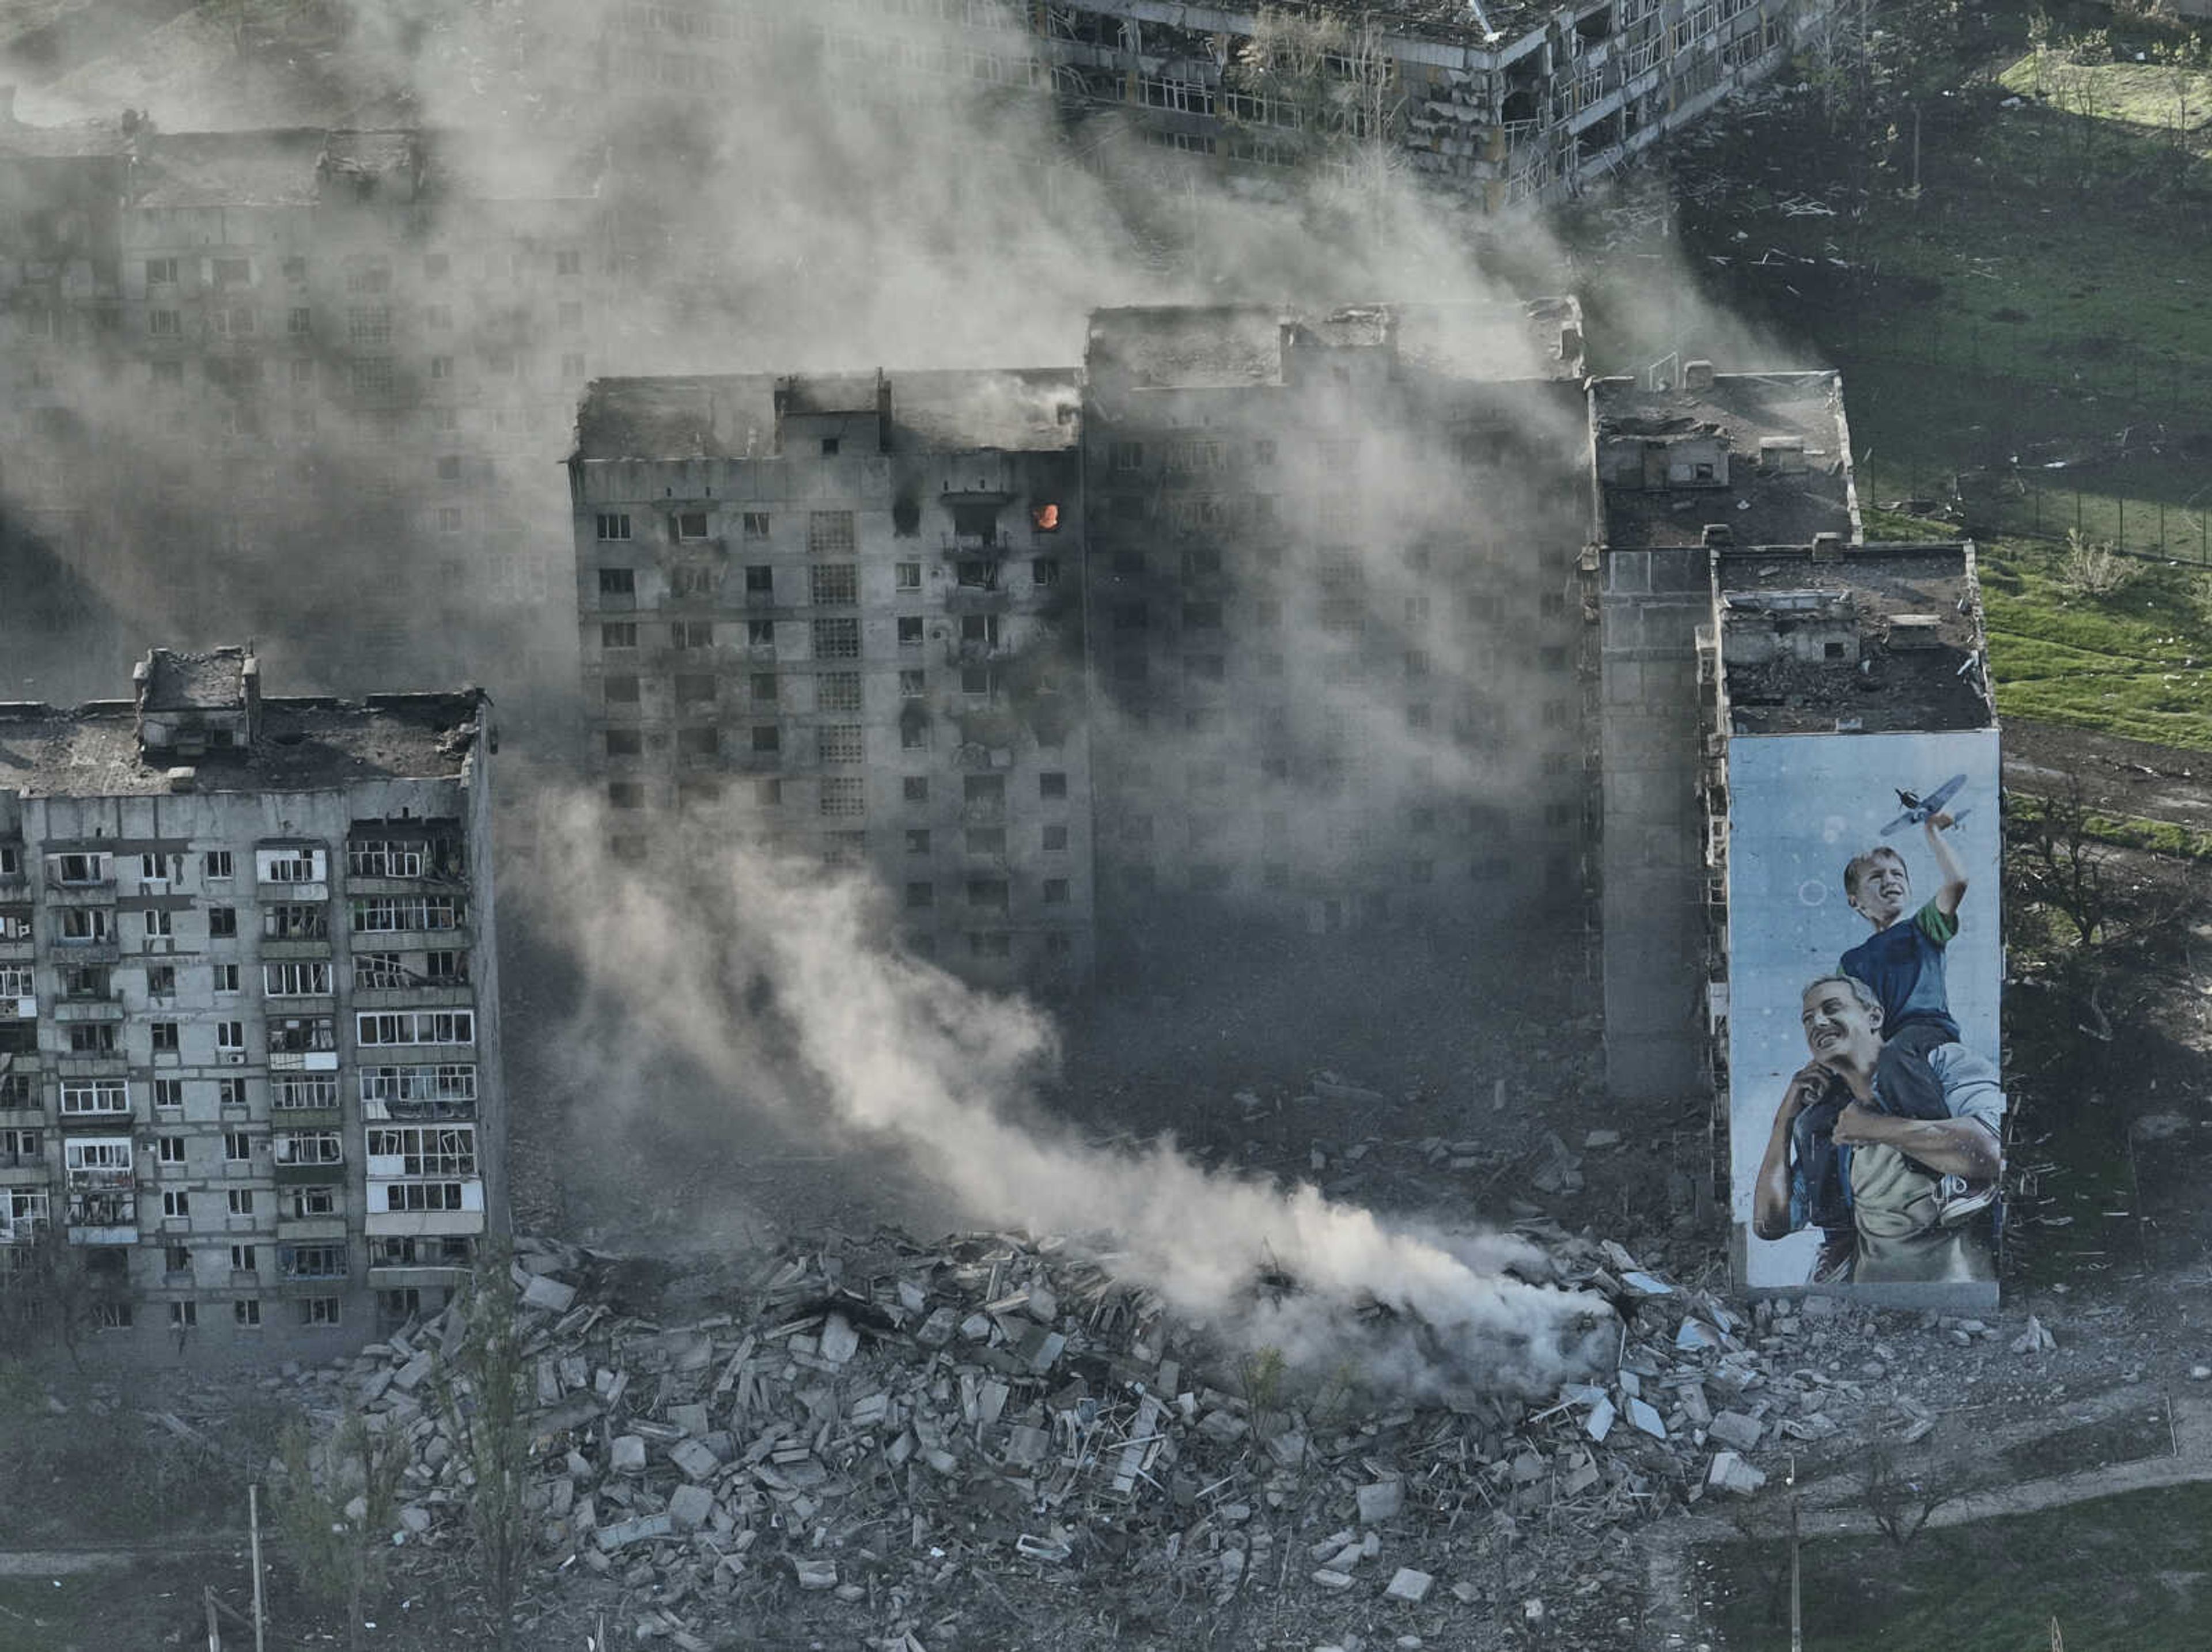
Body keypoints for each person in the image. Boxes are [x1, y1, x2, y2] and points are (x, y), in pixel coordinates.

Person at [1753, 976, 2003, 1285]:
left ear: (1874, 1017)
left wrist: (1876, 1128)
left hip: (1958, 1293)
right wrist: (1784, 1121)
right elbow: (1769, 1225)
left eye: (1832, 1008)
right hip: (1867, 1302)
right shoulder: (1827, 1122)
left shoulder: (1939, 1064)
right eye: (1808, 1019)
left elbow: (1994, 1153)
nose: (1818, 1021)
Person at [1836, 809, 1994, 1224]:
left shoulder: (1922, 929)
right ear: (1855, 901)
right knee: (1823, 1112)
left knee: (1895, 1058)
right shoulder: (1851, 961)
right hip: (1885, 1044)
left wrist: (1932, 833)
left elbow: (1957, 883)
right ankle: (1837, 1229)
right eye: (1877, 877)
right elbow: (1850, 1020)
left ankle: (1962, 1170)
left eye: (1897, 874)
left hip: (1924, 1031)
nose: (1890, 881)